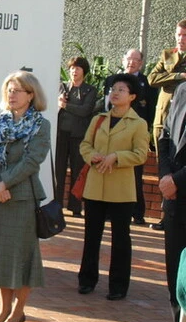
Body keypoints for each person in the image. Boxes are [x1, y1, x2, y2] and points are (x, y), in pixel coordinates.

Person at [0, 71, 50, 322]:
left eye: (18, 90)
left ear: (31, 95)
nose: (12, 94)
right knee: (1, 255)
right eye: (9, 88)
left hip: (22, 199)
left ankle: (18, 312)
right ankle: (3, 310)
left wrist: (4, 183)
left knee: (20, 256)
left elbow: (32, 161)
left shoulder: (40, 125)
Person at [77, 74, 150, 300]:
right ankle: (87, 280)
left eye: (121, 90)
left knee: (120, 238)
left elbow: (141, 154)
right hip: (95, 185)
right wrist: (93, 156)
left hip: (121, 189)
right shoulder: (98, 119)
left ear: (132, 97)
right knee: (91, 236)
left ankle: (118, 286)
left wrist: (117, 157)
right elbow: (85, 145)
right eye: (113, 89)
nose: (115, 93)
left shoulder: (138, 124)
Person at [147, 81, 186, 322]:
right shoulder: (182, 90)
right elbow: (165, 135)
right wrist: (165, 177)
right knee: (177, 275)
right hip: (174, 200)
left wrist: (177, 180)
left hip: (179, 185)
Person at [103, 49, 157, 225]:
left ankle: (137, 212)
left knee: (135, 173)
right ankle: (109, 210)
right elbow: (105, 106)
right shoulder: (111, 80)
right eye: (129, 59)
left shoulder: (146, 83)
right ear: (123, 59)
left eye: (135, 60)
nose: (131, 62)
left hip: (135, 133)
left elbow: (150, 111)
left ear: (141, 63)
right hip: (111, 132)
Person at [147, 19, 186, 231]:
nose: (181, 39)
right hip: (163, 120)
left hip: (182, 125)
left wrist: (168, 79)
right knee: (163, 166)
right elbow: (153, 78)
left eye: (185, 36)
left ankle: (170, 213)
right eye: (178, 35)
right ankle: (165, 214)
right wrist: (179, 76)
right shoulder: (167, 55)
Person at [55, 56, 97, 218]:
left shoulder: (90, 90)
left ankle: (75, 206)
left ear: (84, 71)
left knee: (77, 170)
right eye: (72, 68)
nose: (74, 71)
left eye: (77, 68)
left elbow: (85, 110)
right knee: (58, 171)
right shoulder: (62, 87)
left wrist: (65, 105)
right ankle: (57, 204)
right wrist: (59, 102)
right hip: (61, 134)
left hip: (79, 135)